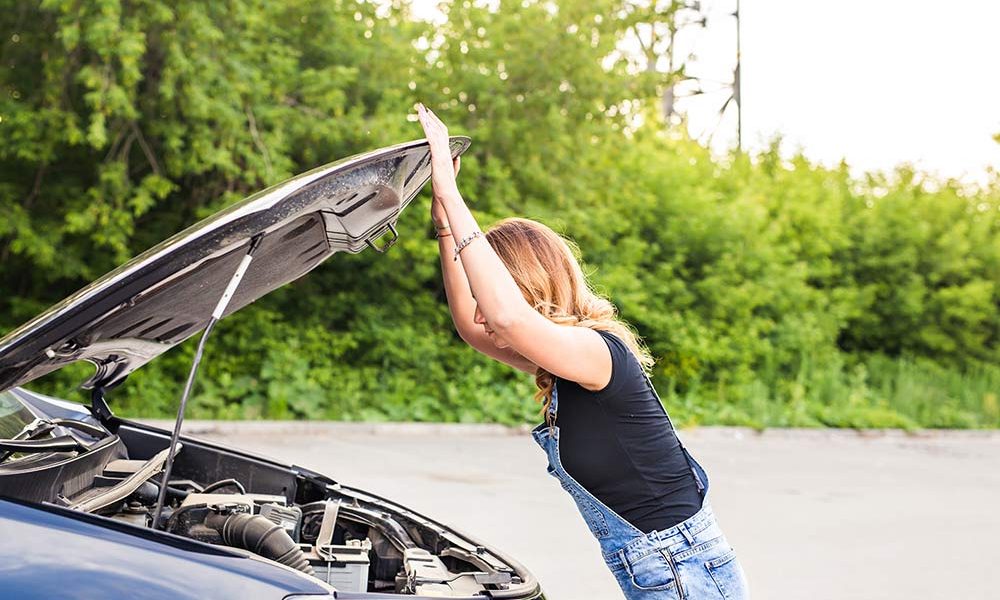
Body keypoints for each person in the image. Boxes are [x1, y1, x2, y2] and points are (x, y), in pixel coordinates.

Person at [416, 103, 750, 600]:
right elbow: (472, 325)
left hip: (682, 569)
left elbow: (504, 317)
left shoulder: (596, 355)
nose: (485, 311)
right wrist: (445, 222)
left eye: (494, 294)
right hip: (662, 567)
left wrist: (450, 187)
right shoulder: (561, 364)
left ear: (527, 288)